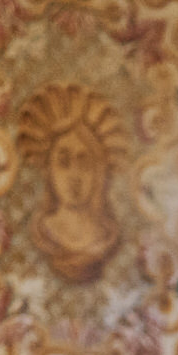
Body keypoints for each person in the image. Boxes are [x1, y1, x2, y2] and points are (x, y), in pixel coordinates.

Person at [15, 84, 128, 284]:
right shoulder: (43, 231)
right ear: (49, 170)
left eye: (84, 163)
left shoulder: (106, 235)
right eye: (63, 162)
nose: (74, 175)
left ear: (98, 173)